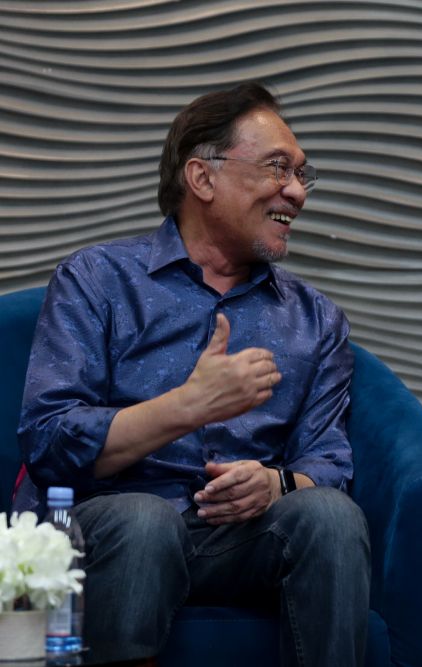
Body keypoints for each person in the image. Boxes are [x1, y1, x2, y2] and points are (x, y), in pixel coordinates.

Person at [17, 82, 370, 666]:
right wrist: (189, 405)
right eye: (277, 167)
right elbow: (50, 440)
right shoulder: (97, 280)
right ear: (202, 178)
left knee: (330, 518)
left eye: (303, 174)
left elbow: (327, 461)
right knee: (143, 521)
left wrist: (277, 484)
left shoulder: (316, 321)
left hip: (243, 541)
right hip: (113, 528)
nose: (296, 193)